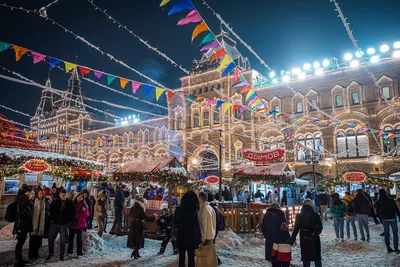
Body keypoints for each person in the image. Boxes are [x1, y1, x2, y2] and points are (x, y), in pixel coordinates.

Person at [292, 199, 323, 267]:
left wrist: (292, 238)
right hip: (314, 236)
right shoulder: (315, 214)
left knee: (305, 256)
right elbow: (320, 226)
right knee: (316, 255)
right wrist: (316, 233)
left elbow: (296, 228)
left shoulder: (299, 216)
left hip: (304, 235)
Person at [46, 189, 75, 261]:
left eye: (65, 195)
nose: (64, 196)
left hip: (64, 224)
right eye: (62, 195)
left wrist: (69, 222)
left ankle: (61, 255)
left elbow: (73, 213)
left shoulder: (70, 202)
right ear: (60, 195)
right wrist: (52, 220)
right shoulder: (55, 202)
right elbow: (51, 211)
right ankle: (50, 253)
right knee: (51, 239)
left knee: (63, 240)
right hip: (55, 223)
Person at [174, 191, 202, 267]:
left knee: (181, 257)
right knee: (191, 257)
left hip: (181, 236)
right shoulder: (194, 211)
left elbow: (175, 223)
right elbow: (196, 225)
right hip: (192, 237)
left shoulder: (178, 210)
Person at [262, 202, 291, 267]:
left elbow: (263, 228)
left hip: (270, 241)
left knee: (273, 260)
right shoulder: (281, 214)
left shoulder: (266, 215)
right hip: (279, 241)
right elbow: (284, 227)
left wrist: (267, 236)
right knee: (280, 259)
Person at [14, 185, 34, 266]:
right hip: (21, 226)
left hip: (24, 225)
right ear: (26, 192)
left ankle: (19, 259)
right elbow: (21, 212)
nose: (31, 193)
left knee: (21, 242)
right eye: (30, 192)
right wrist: (28, 200)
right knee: (20, 242)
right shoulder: (22, 199)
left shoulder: (25, 199)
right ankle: (18, 260)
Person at [29, 187, 49, 260]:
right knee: (32, 240)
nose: (41, 195)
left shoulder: (45, 201)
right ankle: (31, 254)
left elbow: (48, 210)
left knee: (39, 241)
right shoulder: (33, 200)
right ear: (37, 194)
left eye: (42, 193)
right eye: (40, 193)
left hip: (42, 223)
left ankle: (36, 253)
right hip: (34, 224)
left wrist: (46, 214)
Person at [67, 192, 89, 257]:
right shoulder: (72, 203)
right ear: (76, 196)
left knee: (79, 239)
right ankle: (69, 252)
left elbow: (87, 215)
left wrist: (84, 210)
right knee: (71, 238)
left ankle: (79, 253)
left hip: (80, 224)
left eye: (82, 197)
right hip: (73, 223)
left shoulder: (84, 205)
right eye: (79, 196)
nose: (80, 198)